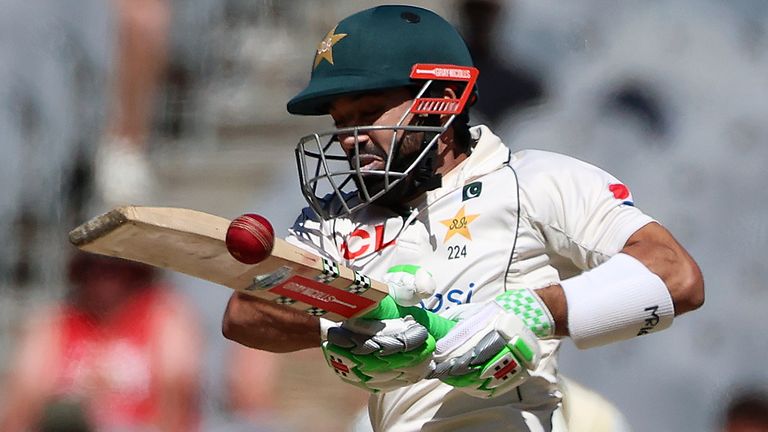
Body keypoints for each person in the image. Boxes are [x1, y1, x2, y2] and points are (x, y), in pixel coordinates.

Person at [222, 5, 704, 431]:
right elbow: (245, 314)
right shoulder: (337, 217)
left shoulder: (534, 181)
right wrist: (343, 328)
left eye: (369, 112)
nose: (351, 138)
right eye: (341, 122)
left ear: (444, 99)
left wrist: (530, 313)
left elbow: (676, 276)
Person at [0, 253, 202, 431]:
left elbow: (177, 404)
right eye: (93, 266)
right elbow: (21, 405)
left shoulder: (163, 318)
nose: (103, 275)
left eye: (115, 266)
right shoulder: (54, 324)